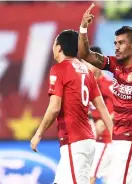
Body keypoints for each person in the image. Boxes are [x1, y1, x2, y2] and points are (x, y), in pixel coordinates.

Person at [78, 4, 132, 184]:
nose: (117, 47)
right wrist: (83, 28)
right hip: (117, 138)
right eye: (115, 43)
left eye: (121, 43)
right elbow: (85, 54)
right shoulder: (113, 64)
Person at [30, 30, 113, 184]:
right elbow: (101, 107)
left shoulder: (59, 69)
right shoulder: (87, 72)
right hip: (87, 140)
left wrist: (39, 133)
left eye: (55, 43)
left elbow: (54, 108)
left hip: (74, 142)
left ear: (59, 48)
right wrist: (115, 133)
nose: (53, 46)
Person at [85, 46, 114, 184]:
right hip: (91, 136)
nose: (87, 65)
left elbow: (119, 109)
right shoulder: (84, 83)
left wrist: (105, 122)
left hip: (105, 140)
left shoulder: (108, 84)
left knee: (90, 176)